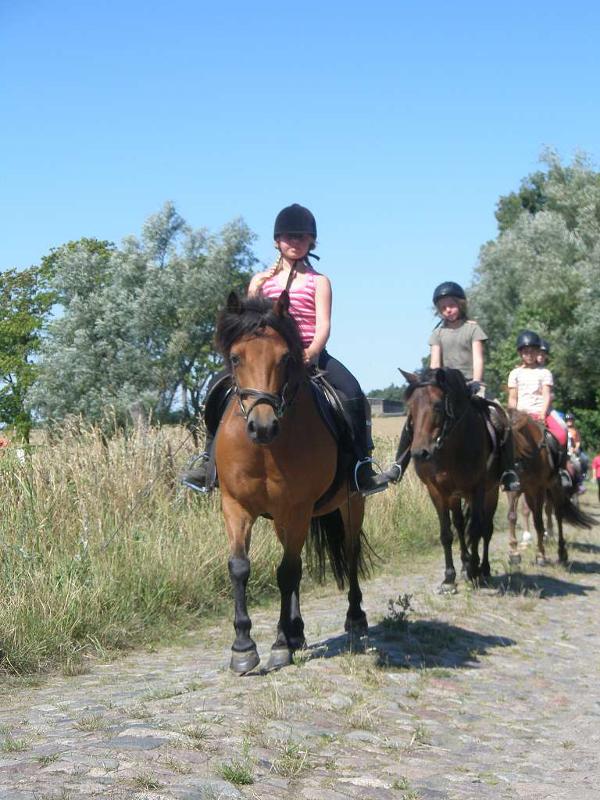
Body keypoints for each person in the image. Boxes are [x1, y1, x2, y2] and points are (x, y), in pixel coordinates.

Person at [182, 203, 390, 496]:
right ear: (277, 241)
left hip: (308, 355)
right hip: (264, 359)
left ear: (311, 242)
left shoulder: (319, 282)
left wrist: (313, 351)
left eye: (302, 237)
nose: (295, 242)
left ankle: (362, 468)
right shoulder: (260, 281)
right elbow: (247, 324)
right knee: (216, 388)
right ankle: (208, 461)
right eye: (289, 237)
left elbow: (324, 324)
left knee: (353, 392)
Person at [380, 281, 520, 491]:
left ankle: (508, 471)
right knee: (414, 420)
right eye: (443, 307)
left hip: (470, 383)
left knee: (498, 417)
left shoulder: (472, 329)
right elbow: (435, 364)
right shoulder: (437, 334)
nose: (448, 310)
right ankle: (399, 464)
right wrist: (433, 383)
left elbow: (478, 358)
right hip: (445, 386)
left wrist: (477, 381)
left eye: (451, 305)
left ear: (461, 304)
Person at [507, 330, 571, 488]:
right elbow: (513, 397)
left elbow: (547, 395)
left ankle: (560, 471)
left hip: (541, 412)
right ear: (520, 353)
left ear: (538, 352)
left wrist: (542, 413)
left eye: (532, 351)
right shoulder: (515, 373)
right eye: (525, 351)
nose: (529, 355)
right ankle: (508, 473)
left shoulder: (544, 373)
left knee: (562, 432)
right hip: (521, 414)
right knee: (504, 436)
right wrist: (511, 414)